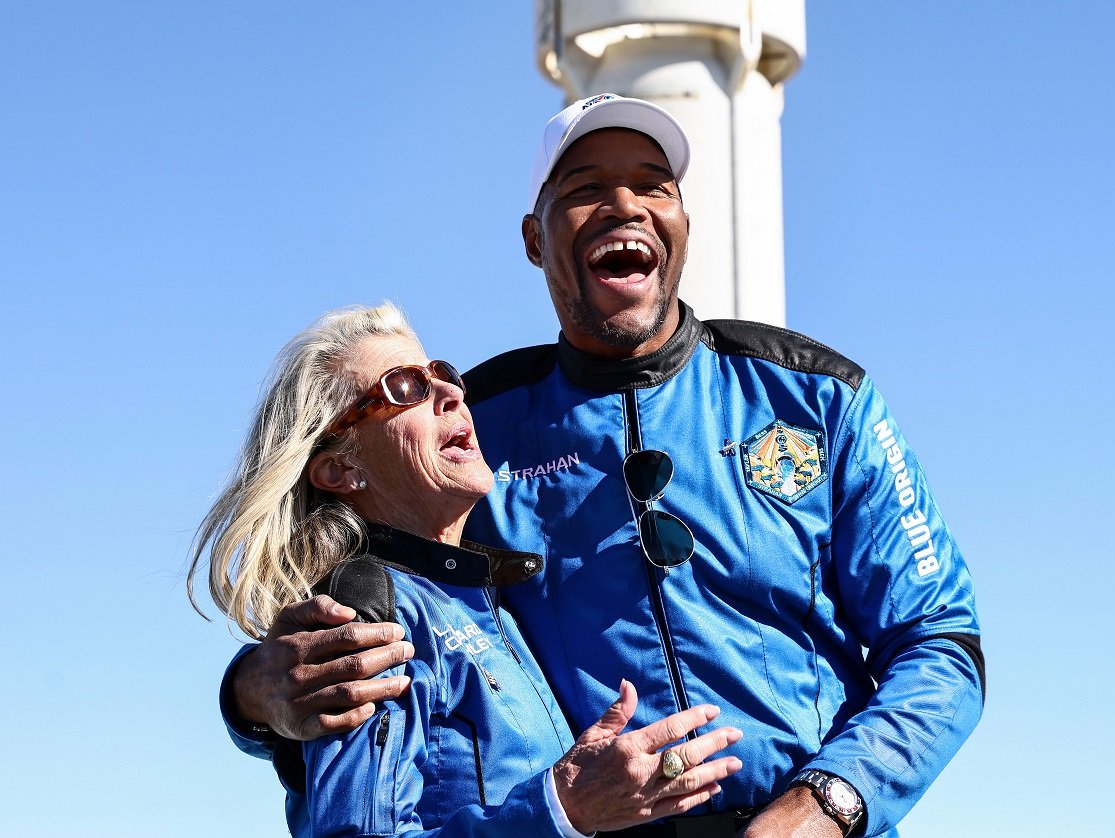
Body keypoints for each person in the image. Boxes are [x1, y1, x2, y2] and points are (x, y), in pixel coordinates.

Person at [222, 95, 985, 837]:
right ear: (533, 237)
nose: (626, 206)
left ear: (684, 224)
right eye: (585, 190)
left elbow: (942, 645)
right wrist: (250, 695)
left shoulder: (818, 398)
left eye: (654, 185)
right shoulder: (470, 427)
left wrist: (830, 804)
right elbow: (367, 612)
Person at [190, 302, 744, 837]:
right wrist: (562, 806)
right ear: (341, 469)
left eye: (443, 374)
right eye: (405, 387)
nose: (452, 393)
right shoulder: (369, 614)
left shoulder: (486, 599)